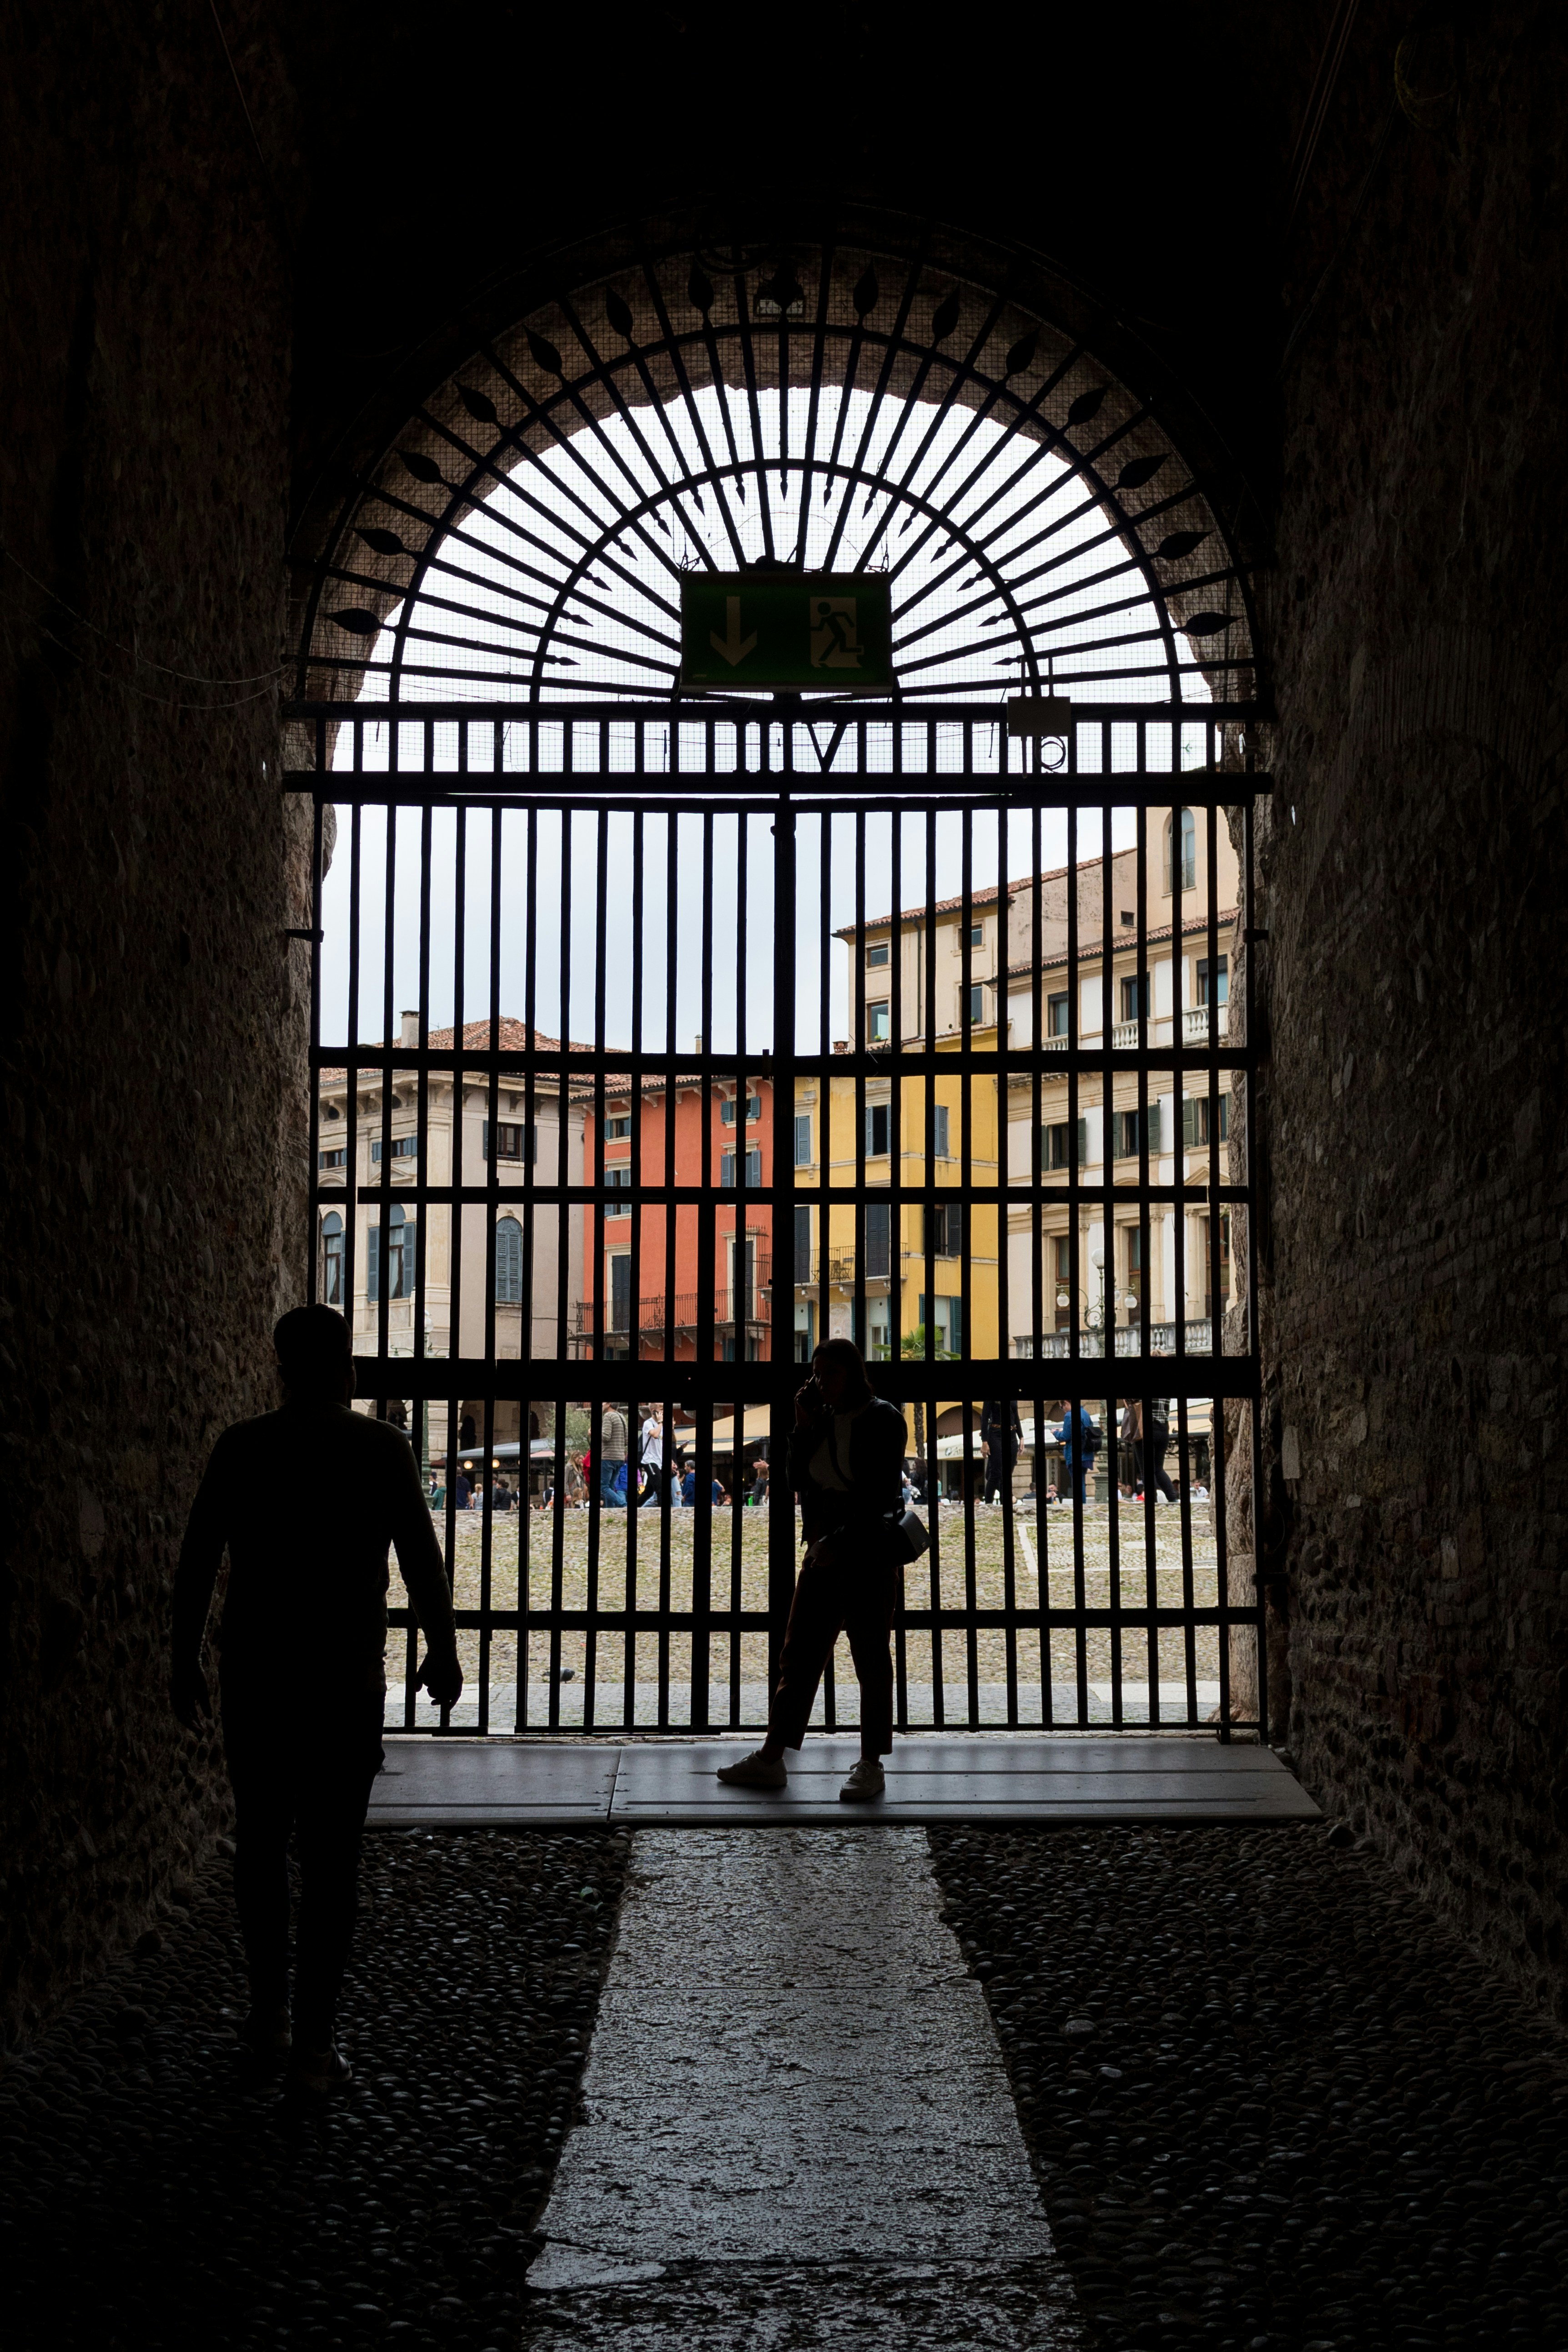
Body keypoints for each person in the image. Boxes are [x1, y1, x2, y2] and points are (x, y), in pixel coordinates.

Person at [171, 1305, 462, 2097]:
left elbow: (199, 1557)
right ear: (348, 1365)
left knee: (261, 1845)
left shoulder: (242, 1446)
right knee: (333, 1861)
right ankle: (314, 2046)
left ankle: (266, 2017)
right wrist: (441, 1648)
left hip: (256, 1677)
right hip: (343, 1681)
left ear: (279, 1367)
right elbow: (420, 1561)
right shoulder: (382, 1447)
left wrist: (182, 1656)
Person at [717, 1337, 907, 1804]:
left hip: (865, 1551)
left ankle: (871, 1762)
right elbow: (795, 1481)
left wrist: (836, 1543)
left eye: (831, 1373)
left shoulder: (884, 1418)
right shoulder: (822, 1419)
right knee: (799, 1653)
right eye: (816, 1374)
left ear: (853, 1373)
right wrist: (801, 1428)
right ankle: (771, 1757)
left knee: (870, 1658)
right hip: (824, 1547)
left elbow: (880, 1496)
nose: (821, 1382)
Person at [1054, 1399, 1100, 1507]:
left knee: (1077, 1482)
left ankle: (1080, 1506)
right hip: (1086, 1454)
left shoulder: (1069, 1415)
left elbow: (1065, 1436)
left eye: (1062, 1407)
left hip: (1074, 1454)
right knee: (1081, 1480)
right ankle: (1082, 1504)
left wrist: (1055, 1433)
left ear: (1066, 1403)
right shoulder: (1085, 1413)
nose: (1063, 1410)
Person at [980, 1398, 1022, 1506]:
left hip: (1012, 1435)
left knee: (1008, 1473)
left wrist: (1021, 1436)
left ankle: (1006, 1505)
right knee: (996, 1472)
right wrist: (984, 1441)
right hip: (996, 1433)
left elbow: (1016, 1415)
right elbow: (985, 1417)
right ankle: (988, 1504)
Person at [598, 1403, 628, 1507]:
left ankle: (624, 1504)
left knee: (603, 1487)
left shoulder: (608, 1416)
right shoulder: (622, 1417)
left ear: (609, 1404)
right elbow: (626, 1441)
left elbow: (606, 1436)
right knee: (610, 1488)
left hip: (608, 1457)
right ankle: (611, 1511)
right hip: (620, 1458)